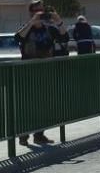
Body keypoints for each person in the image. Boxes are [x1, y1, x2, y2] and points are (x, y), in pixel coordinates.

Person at [15, 8, 67, 146]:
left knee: (44, 105)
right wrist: (32, 22)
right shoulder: (27, 29)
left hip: (45, 73)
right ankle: (23, 135)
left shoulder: (50, 29)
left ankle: (39, 135)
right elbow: (18, 38)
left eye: (41, 12)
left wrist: (58, 20)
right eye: (35, 12)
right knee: (27, 106)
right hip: (28, 74)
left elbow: (65, 37)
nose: (40, 15)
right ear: (31, 14)